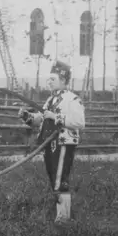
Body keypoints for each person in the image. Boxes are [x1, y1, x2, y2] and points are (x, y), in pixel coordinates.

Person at [18, 60, 85, 222]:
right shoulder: (50, 100)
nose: (49, 82)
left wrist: (55, 117)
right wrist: (27, 117)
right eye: (49, 79)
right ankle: (61, 214)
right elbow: (41, 120)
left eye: (53, 79)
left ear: (63, 80)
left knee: (60, 180)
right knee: (53, 178)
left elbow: (79, 122)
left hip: (63, 143)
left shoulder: (72, 99)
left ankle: (63, 219)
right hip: (48, 144)